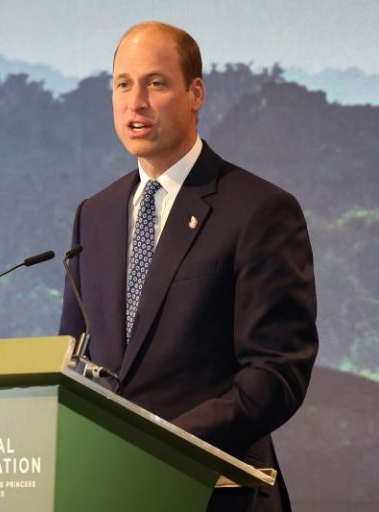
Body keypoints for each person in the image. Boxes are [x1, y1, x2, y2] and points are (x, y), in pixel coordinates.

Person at [59, 21, 318, 512]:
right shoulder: (94, 214)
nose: (136, 102)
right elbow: (70, 359)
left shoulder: (258, 210)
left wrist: (162, 440)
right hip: (108, 491)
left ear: (195, 93)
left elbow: (277, 372)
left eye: (155, 84)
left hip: (213, 491)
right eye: (123, 84)